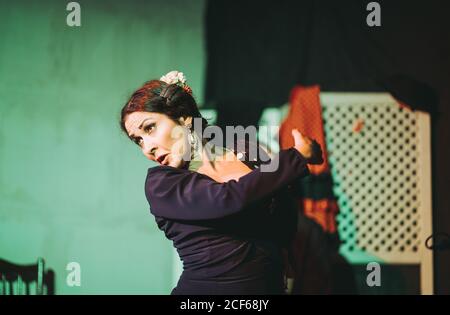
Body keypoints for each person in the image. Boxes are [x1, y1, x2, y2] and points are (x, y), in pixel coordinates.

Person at [119, 71, 323, 295]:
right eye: (138, 140)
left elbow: (283, 206)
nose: (147, 147)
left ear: (183, 115)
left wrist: (282, 248)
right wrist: (296, 157)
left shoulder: (246, 150)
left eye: (150, 128)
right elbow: (228, 199)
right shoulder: (162, 185)